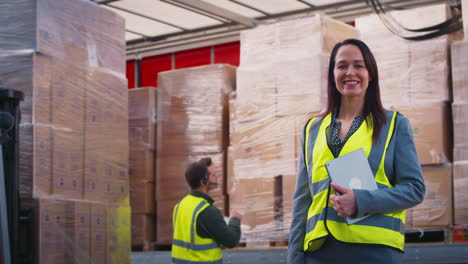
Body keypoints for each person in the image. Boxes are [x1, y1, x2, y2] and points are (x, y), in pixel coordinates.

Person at [288, 38, 425, 264]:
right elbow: (302, 201)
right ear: (332, 75)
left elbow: (414, 189)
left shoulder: (394, 125)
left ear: (371, 74)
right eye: (342, 66)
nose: (350, 72)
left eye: (358, 65)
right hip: (319, 252)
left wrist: (361, 201)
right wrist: (295, 258)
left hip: (373, 253)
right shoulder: (312, 129)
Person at [171, 157, 242, 264]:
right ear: (203, 181)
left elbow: (193, 239)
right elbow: (231, 241)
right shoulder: (207, 211)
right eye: (213, 175)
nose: (217, 177)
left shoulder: (179, 206)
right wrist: (235, 219)